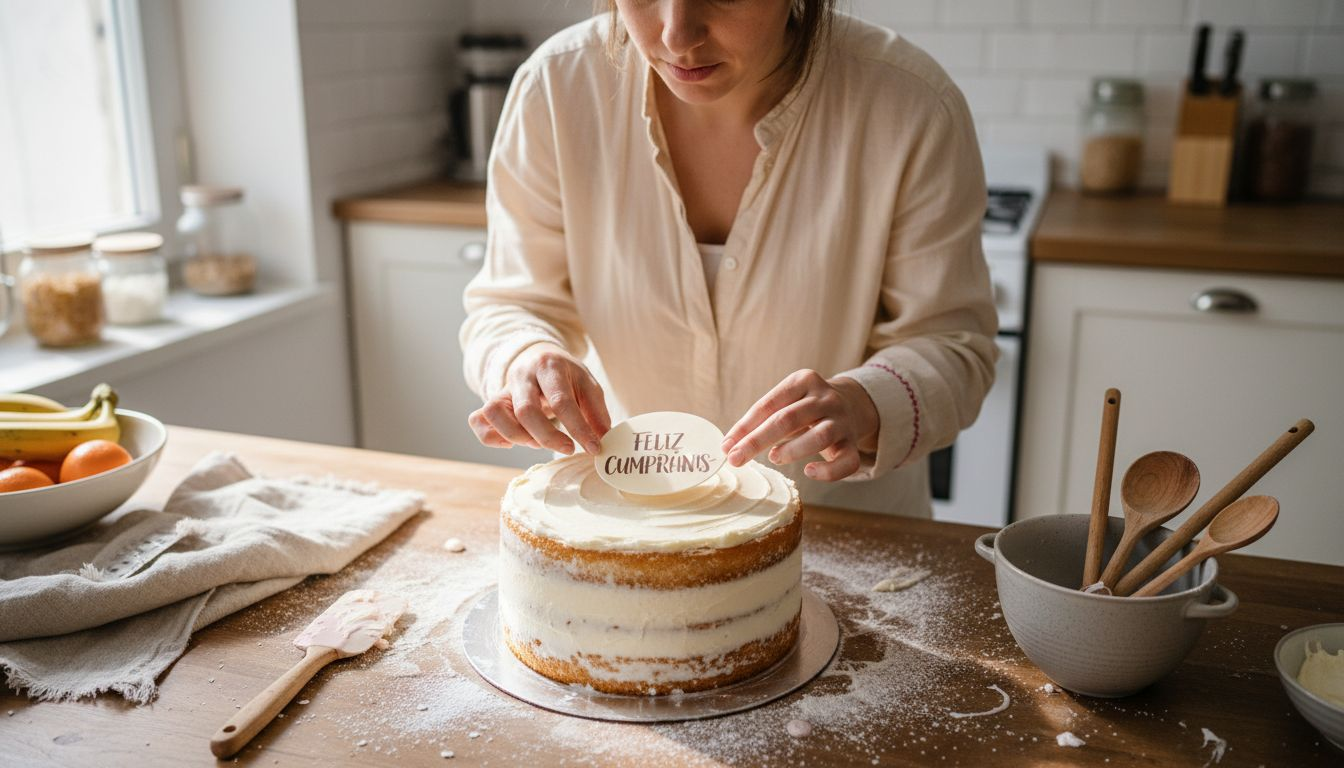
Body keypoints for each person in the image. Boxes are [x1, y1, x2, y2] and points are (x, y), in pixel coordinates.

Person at [459, 0, 997, 516]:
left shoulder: (910, 103)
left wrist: (862, 403)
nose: (677, 34)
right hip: (629, 522)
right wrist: (524, 358)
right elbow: (509, 305)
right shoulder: (555, 89)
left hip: (847, 533)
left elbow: (953, 346)